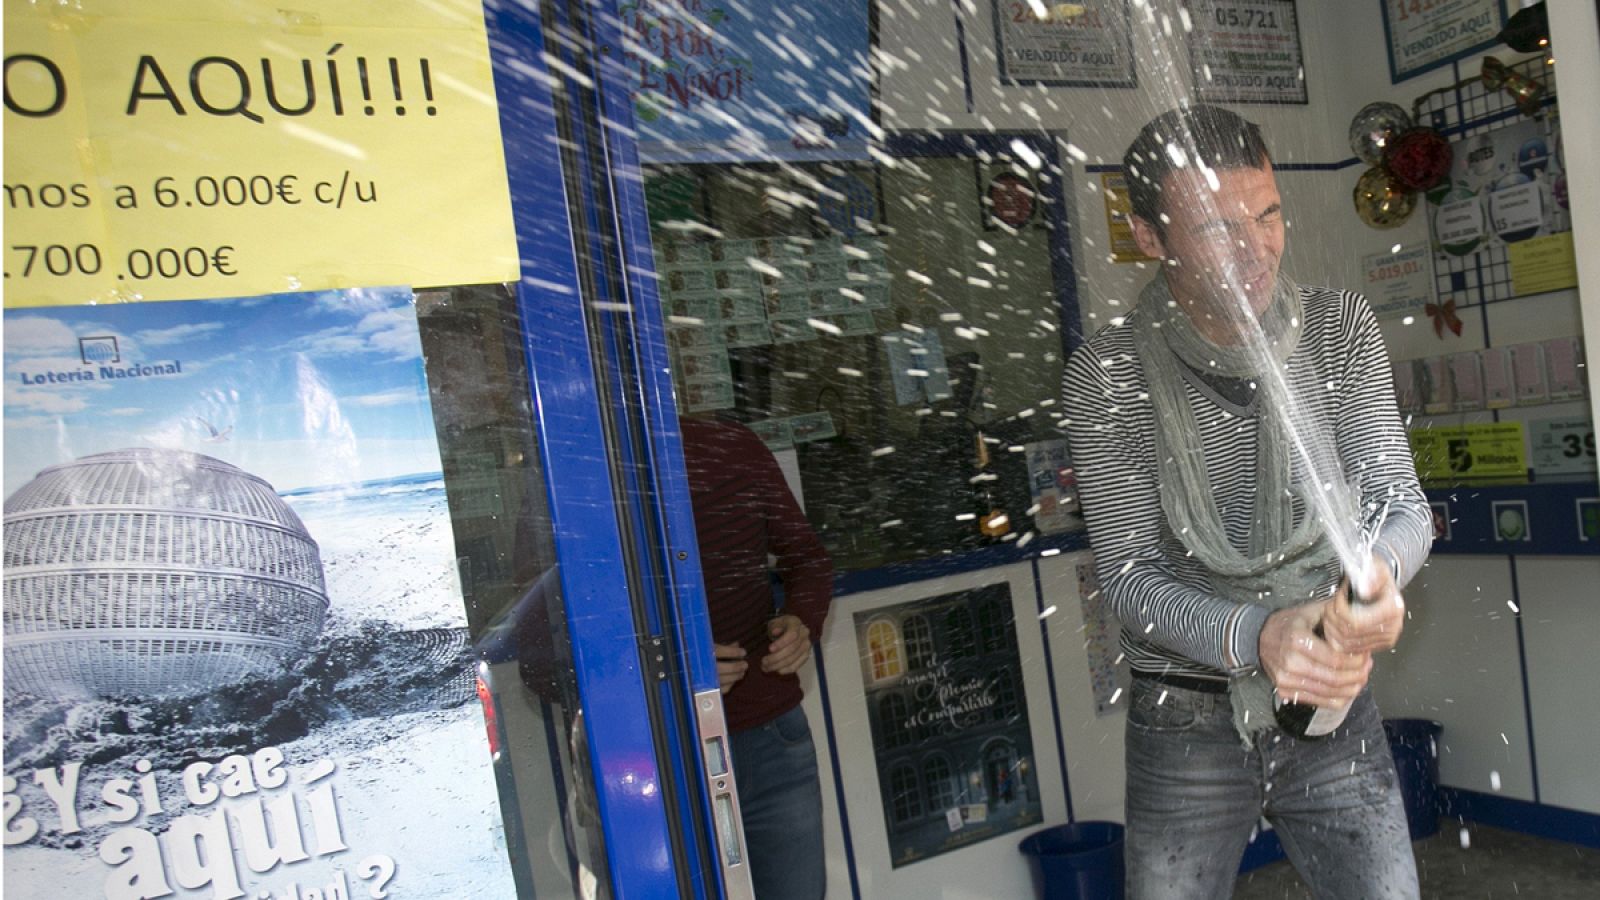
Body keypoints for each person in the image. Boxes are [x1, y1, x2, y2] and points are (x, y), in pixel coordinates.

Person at [1061, 105, 1433, 900]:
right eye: (1217, 228)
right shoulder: (1106, 374)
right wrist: (1258, 635)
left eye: (1268, 214)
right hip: (1183, 720)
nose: (1256, 248)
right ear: (1151, 237)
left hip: (1334, 701)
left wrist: (1373, 581)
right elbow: (1127, 579)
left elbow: (1403, 506)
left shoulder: (1338, 327)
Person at [679, 415, 834, 900]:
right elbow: (545, 651)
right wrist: (669, 675)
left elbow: (807, 558)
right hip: (659, 756)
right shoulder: (579, 472)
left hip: (770, 740)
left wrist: (800, 620)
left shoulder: (728, 445)